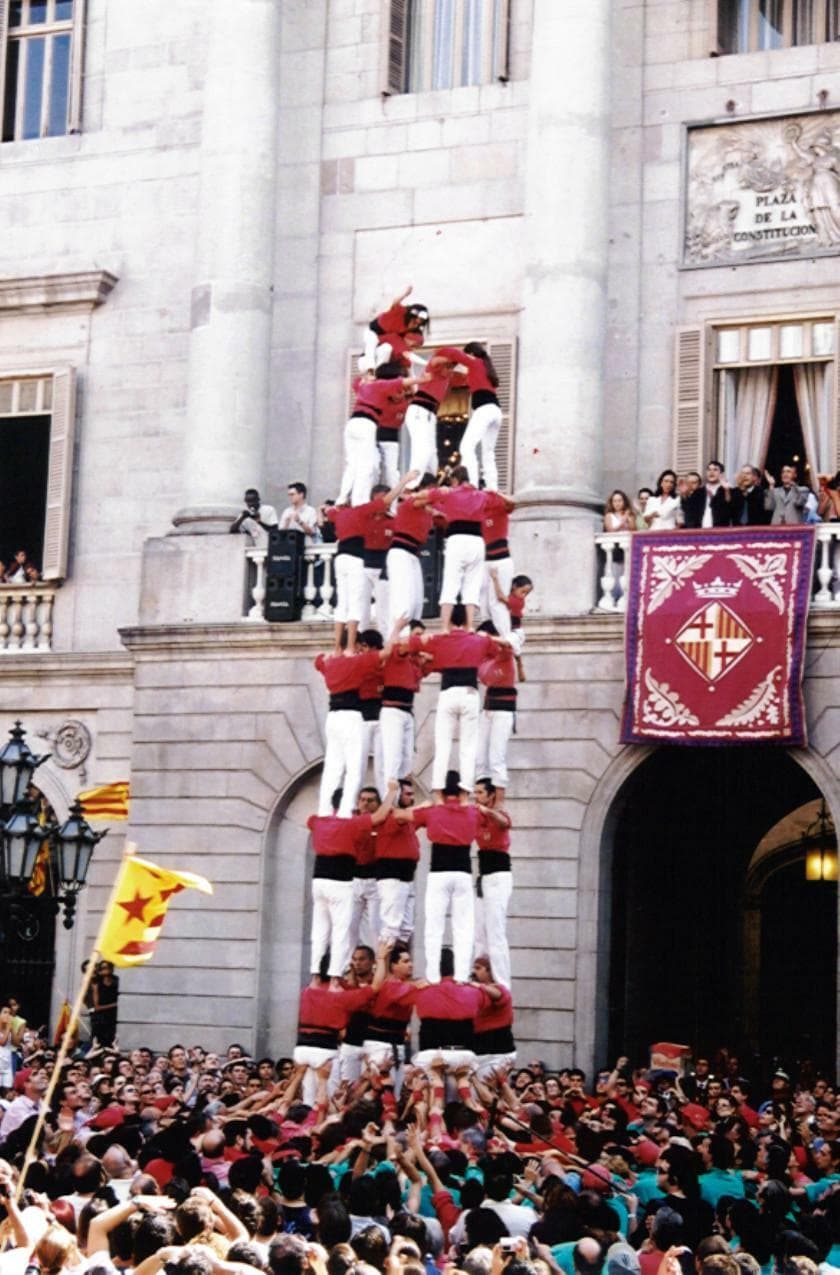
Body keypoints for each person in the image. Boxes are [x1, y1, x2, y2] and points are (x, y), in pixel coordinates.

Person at [393, 769, 481, 982]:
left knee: (434, 926)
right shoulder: (472, 812)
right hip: (462, 873)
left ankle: (433, 975)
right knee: (463, 927)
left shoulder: (433, 811)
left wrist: (423, 805)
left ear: (440, 790)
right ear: (462, 791)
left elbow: (398, 815)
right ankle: (461, 975)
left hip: (439, 872)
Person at [407, 604, 504, 796]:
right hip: (470, 693)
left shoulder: (440, 639)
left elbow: (410, 645)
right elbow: (496, 650)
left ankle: (437, 791)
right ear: (467, 620)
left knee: (443, 744)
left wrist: (425, 648)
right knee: (468, 746)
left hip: (448, 693)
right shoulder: (478, 640)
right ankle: (465, 794)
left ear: (449, 620)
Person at [306, 788, 393, 985]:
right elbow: (378, 815)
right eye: (361, 800)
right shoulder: (353, 823)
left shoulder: (323, 821)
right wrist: (392, 790)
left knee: (371, 928)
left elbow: (310, 820)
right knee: (345, 930)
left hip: (365, 878)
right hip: (348, 880)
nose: (364, 804)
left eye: (370, 800)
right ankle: (342, 974)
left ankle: (319, 975)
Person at [325, 473, 418, 655]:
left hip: (342, 558)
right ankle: (351, 646)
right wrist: (404, 481)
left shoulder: (340, 514)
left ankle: (338, 648)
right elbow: (387, 501)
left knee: (343, 604)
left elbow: (328, 513)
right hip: (357, 560)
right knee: (356, 605)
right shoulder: (361, 512)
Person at [413, 467, 512, 631]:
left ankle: (445, 627)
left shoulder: (450, 492)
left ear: (454, 480)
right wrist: (494, 492)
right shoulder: (482, 495)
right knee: (472, 584)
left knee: (450, 583)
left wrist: (439, 490)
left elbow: (420, 496)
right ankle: (470, 626)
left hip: (456, 539)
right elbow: (510, 502)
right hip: (477, 541)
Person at [314, 640, 386, 816]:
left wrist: (333, 654)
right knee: (354, 768)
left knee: (333, 767)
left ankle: (324, 809)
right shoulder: (357, 662)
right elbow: (385, 653)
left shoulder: (330, 662)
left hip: (333, 717)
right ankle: (346, 811)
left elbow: (318, 661)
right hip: (351, 717)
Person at [338, 365, 416, 507]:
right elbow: (358, 384)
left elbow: (415, 392)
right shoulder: (379, 392)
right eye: (398, 390)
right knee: (371, 468)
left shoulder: (406, 403)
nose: (400, 393)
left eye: (402, 391)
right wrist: (370, 375)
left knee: (391, 473)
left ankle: (392, 507)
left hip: (390, 437)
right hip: (373, 433)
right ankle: (362, 499)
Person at [436, 343, 503, 491]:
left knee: (466, 447)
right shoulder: (484, 367)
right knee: (488, 452)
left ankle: (471, 484)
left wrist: (438, 353)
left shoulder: (474, 362)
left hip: (484, 410)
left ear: (471, 354)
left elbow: (452, 352)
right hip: (495, 411)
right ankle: (492, 487)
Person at [473, 777, 513, 989]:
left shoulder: (498, 814)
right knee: (480, 929)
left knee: (495, 930)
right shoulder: (477, 818)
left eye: (480, 792)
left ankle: (502, 982)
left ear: (490, 796)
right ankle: (480, 973)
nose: (476, 797)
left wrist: (487, 811)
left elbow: (504, 823)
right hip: (484, 875)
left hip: (499, 875)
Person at [386, 475, 437, 634]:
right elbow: (420, 499)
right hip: (400, 553)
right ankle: (396, 640)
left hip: (413, 554)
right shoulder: (411, 503)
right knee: (404, 603)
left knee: (416, 604)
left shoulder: (428, 511)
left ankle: (410, 640)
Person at [373, 777, 420, 944]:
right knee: (390, 927)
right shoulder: (391, 815)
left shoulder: (406, 819)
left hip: (407, 877)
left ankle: (396, 966)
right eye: (407, 794)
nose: (411, 798)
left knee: (405, 929)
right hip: (392, 876)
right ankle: (382, 967)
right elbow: (409, 815)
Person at [475, 621, 517, 802]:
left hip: (503, 711)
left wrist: (489, 638)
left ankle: (498, 802)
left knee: (496, 758)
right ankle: (482, 796)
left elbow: (509, 644)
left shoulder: (504, 655)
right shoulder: (482, 660)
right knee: (479, 758)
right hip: (488, 710)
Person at [362, 284, 430, 372]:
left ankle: (380, 372)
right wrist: (405, 294)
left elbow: (408, 354)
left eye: (419, 324)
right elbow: (395, 302)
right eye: (415, 322)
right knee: (371, 342)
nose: (416, 325)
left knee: (386, 349)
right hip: (374, 331)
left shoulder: (397, 337)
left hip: (385, 338)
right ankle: (370, 369)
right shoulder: (401, 312)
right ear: (411, 316)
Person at [90, 961, 120, 1046]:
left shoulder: (117, 981)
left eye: (108, 967)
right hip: (101, 1018)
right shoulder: (96, 983)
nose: (106, 970)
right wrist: (115, 1005)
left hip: (114, 1017)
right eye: (103, 968)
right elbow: (97, 1007)